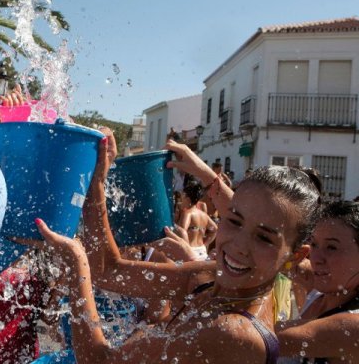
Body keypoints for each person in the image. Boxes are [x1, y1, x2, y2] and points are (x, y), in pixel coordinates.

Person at [24, 135, 320, 363]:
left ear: (296, 256)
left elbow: (98, 361)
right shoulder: (212, 278)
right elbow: (107, 269)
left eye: (264, 239)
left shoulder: (232, 333)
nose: (239, 246)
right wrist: (97, 181)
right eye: (234, 221)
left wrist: (78, 269)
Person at [277, 200, 359, 363]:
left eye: (332, 247)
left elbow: (259, 338)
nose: (315, 258)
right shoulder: (320, 285)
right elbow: (267, 260)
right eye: (314, 244)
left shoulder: (352, 326)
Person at [176, 181, 218, 261]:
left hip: (191, 251)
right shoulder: (204, 215)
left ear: (187, 198)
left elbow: (182, 231)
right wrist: (205, 243)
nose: (181, 201)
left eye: (182, 198)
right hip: (202, 250)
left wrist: (187, 248)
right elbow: (215, 229)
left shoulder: (188, 213)